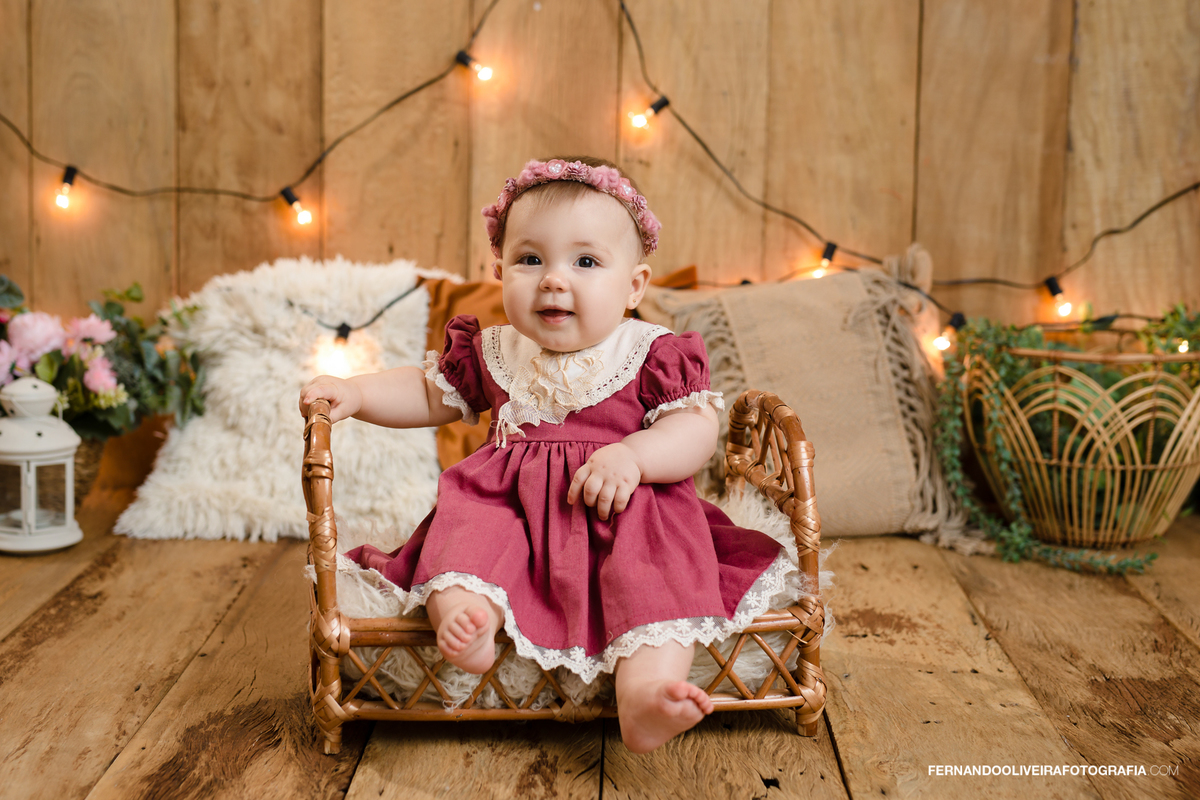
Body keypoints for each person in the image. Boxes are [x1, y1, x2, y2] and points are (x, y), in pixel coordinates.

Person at [298, 156, 792, 753]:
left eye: (585, 262)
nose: (554, 279)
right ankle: (466, 616)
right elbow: (429, 391)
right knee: (465, 533)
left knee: (655, 576)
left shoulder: (651, 352)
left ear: (634, 285)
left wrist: (635, 457)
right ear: (500, 268)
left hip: (625, 509)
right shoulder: (497, 349)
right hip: (509, 501)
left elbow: (696, 429)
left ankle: (646, 694)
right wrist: (357, 391)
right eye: (531, 260)